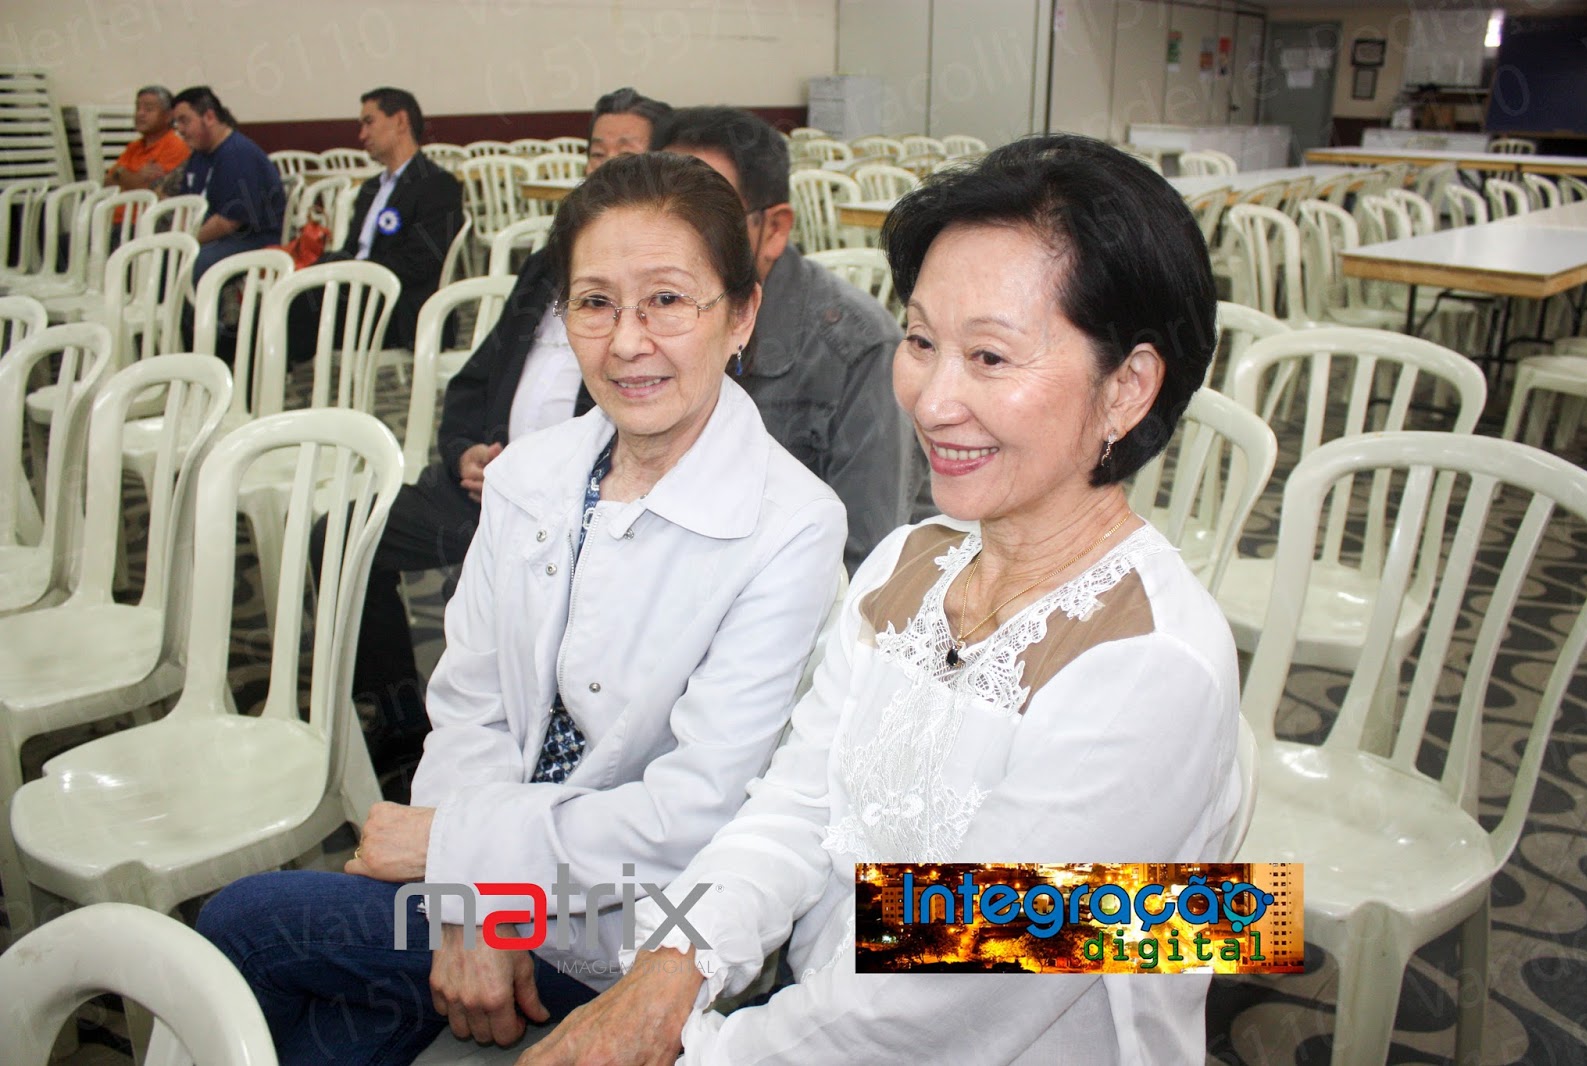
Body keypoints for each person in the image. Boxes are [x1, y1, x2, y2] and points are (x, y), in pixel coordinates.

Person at [521, 135, 1244, 1065]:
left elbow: (944, 999)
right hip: (810, 1018)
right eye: (921, 341)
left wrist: (699, 1048)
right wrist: (673, 966)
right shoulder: (910, 563)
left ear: (1128, 387)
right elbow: (795, 808)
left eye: (990, 356)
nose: (933, 400)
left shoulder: (1150, 668)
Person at [198, 150, 849, 1066]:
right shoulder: (532, 476)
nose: (627, 342)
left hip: (641, 921)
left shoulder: (790, 523)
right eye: (594, 303)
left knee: (250, 925)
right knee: (334, 1019)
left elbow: (688, 818)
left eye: (667, 301)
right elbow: (471, 708)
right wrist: (470, 900)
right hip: (494, 874)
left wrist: (458, 852)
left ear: (740, 315)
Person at [346, 87, 670, 771]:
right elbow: (475, 379)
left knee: (493, 606)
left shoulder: (664, 298)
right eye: (596, 152)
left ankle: (519, 749)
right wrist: (463, 451)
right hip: (483, 485)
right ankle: (402, 724)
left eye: (627, 153)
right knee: (346, 537)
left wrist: (534, 478)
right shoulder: (549, 265)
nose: (605, 167)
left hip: (566, 512)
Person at [654, 106, 906, 573]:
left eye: (706, 217)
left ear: (772, 230)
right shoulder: (641, 322)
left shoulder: (857, 350)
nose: (673, 240)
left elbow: (866, 562)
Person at [286, 87, 463, 359]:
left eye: (369, 123)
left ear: (400, 121)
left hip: (398, 304)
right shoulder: (371, 189)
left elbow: (421, 262)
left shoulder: (437, 185)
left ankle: (247, 369)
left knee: (293, 306)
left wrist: (353, 272)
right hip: (355, 292)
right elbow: (353, 249)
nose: (362, 135)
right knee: (284, 297)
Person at [170, 85, 285, 280]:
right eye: (176, 123)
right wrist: (176, 241)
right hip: (215, 237)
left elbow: (228, 223)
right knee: (161, 257)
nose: (179, 130)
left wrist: (185, 242)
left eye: (184, 121)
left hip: (253, 240)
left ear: (209, 117)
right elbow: (185, 205)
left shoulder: (238, 154)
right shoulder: (199, 155)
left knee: (193, 263)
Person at [104, 85, 188, 193]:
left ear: (168, 116)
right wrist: (130, 175)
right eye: (138, 108)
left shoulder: (176, 146)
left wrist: (120, 174)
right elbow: (107, 183)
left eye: (149, 109)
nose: (140, 114)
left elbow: (149, 190)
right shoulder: (134, 146)